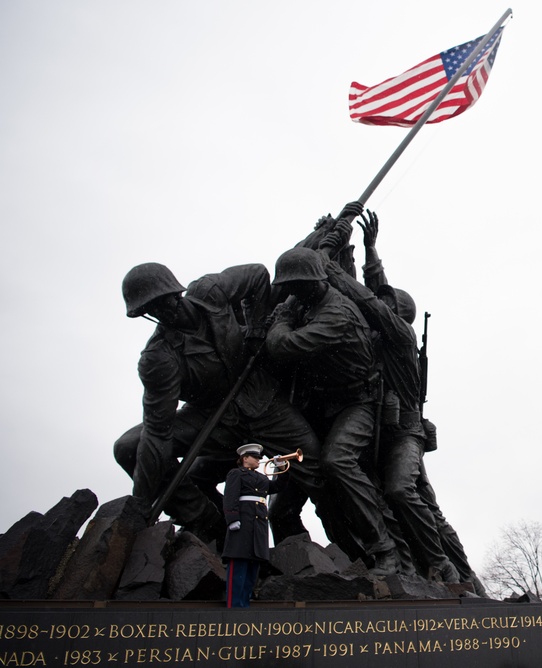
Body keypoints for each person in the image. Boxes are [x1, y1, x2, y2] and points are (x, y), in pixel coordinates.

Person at [113, 262, 337, 547]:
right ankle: (205, 518)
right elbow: (158, 433)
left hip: (263, 402)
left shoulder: (211, 291)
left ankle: (358, 547)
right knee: (128, 447)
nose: (160, 311)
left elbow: (258, 275)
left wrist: (256, 330)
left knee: (318, 470)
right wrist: (139, 508)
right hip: (213, 419)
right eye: (151, 309)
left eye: (162, 301)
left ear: (175, 291)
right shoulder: (158, 359)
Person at [324, 217, 459, 583]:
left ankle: (440, 564)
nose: (378, 303)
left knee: (402, 490)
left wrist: (330, 267)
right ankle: (407, 564)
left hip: (404, 434)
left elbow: (371, 298)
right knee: (387, 496)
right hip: (384, 428)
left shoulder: (400, 335)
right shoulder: (383, 334)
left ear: (397, 313)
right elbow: (376, 291)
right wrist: (368, 249)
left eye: (386, 304)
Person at [265, 247, 400, 575]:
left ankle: (385, 551)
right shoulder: (307, 300)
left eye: (298, 287)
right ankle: (300, 567)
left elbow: (284, 346)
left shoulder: (335, 313)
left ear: (314, 283)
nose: (292, 294)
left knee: (337, 460)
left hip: (357, 404)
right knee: (280, 506)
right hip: (319, 409)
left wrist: (280, 321)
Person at [222, 443, 288, 608]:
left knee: (252, 571)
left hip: (258, 528)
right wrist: (232, 519)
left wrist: (281, 467)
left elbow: (278, 486)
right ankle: (234, 606)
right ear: (245, 458)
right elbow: (230, 496)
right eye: (255, 457)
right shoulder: (236, 474)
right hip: (242, 525)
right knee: (238, 569)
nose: (259, 460)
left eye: (259, 457)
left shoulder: (262, 478)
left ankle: (244, 604)